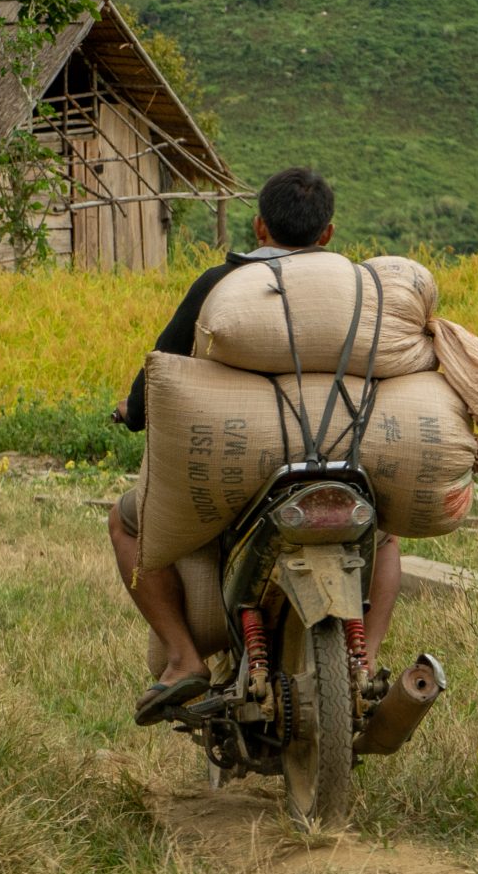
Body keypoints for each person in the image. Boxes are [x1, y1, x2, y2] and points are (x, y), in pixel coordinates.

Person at [108, 165, 404, 725]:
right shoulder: (366, 292)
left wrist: (134, 412)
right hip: (343, 463)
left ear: (259, 227)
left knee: (126, 523)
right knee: (384, 540)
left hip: (243, 473)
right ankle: (366, 662)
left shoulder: (221, 284)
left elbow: (159, 376)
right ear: (328, 234)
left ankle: (182, 659)